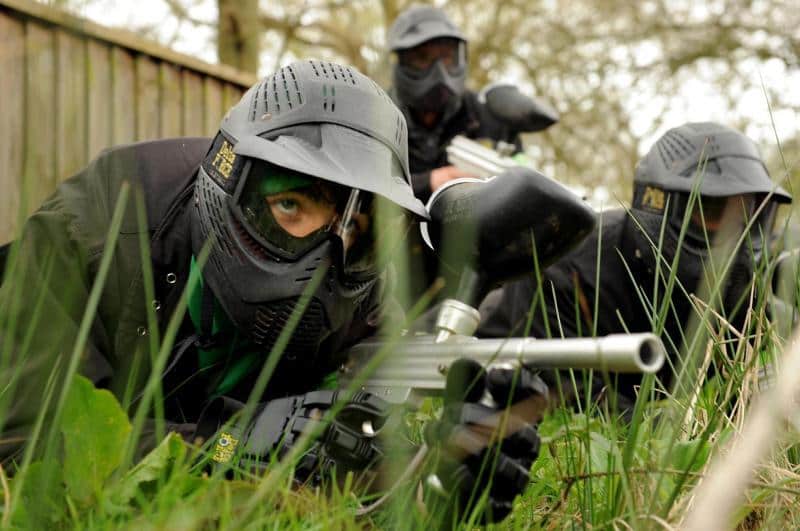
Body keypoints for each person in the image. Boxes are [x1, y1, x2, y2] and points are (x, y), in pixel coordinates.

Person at [0, 59, 544, 524]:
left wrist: (434, 480)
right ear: (229, 183)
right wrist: (233, 442)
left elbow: (351, 460)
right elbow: (28, 446)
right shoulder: (99, 225)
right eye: (291, 206)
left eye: (354, 226)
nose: (322, 256)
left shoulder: (363, 298)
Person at [478, 122, 792, 401]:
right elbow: (566, 392)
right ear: (656, 203)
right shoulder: (569, 258)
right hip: (486, 346)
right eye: (709, 208)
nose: (729, 229)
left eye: (747, 212)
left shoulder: (750, 283)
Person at [386, 4, 559, 203]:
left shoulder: (489, 118)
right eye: (423, 58)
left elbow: (521, 189)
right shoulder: (376, 117)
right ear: (400, 62)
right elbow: (359, 191)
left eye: (447, 57)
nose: (439, 71)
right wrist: (429, 183)